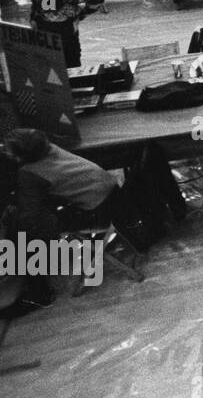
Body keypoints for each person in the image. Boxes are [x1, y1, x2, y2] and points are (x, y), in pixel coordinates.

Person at [1, 128, 126, 315]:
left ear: (20, 156)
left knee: (23, 236)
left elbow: (30, 214)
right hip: (114, 195)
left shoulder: (29, 173)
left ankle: (39, 295)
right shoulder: (52, 148)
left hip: (97, 212)